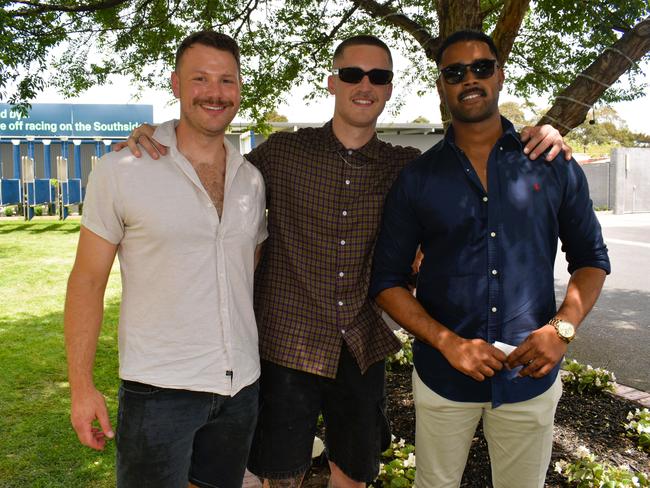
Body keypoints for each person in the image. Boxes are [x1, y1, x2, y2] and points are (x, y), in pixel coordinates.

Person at [118, 35, 572, 487]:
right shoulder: (282, 153)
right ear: (332, 82)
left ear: (390, 88)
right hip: (286, 345)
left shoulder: (407, 167)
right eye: (352, 74)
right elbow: (212, 162)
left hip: (361, 346)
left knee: (353, 477)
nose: (365, 84)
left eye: (378, 76)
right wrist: (159, 134)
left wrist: (542, 131)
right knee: (281, 477)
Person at [369, 30, 610, 488]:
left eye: (481, 67)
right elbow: (387, 281)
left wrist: (562, 330)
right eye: (455, 72)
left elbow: (591, 258)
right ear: (442, 86)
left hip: (529, 374)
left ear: (499, 75)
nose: (469, 79)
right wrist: (448, 343)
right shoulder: (418, 179)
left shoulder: (550, 162)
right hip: (443, 378)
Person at [64, 31, 268, 488]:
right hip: (159, 389)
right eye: (200, 79)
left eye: (227, 80)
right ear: (176, 85)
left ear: (239, 88)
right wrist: (81, 385)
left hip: (240, 386)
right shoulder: (122, 170)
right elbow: (86, 282)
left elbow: (246, 267)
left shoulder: (251, 179)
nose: (215, 93)